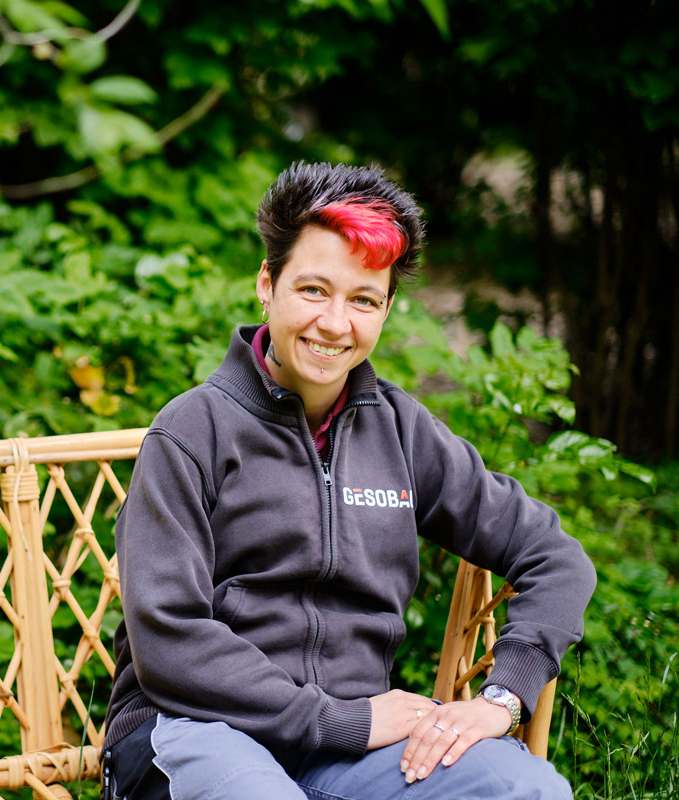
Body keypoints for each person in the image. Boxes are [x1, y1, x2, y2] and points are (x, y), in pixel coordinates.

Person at [101, 162, 596, 800]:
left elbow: (554, 556)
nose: (336, 324)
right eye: (313, 290)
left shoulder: (400, 432)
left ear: (386, 309)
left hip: (347, 750)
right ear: (267, 284)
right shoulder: (191, 432)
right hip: (193, 730)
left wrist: (502, 698)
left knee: (526, 791)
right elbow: (170, 641)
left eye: (363, 300)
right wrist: (341, 718)